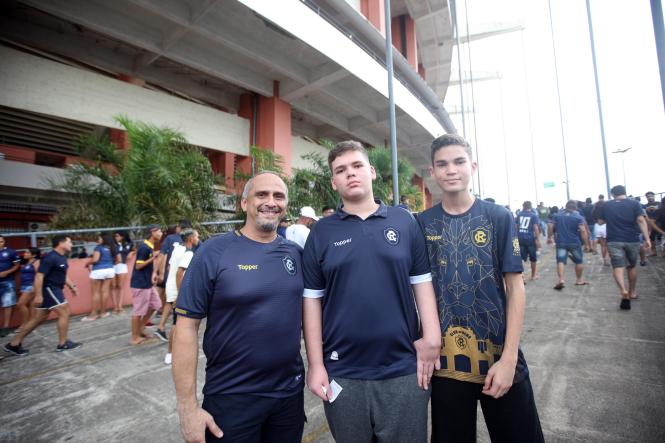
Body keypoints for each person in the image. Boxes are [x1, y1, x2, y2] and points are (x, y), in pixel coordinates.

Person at [303, 141, 441, 443]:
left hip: (403, 368)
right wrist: (315, 365)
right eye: (341, 170)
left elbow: (422, 282)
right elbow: (312, 302)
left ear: (372, 172)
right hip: (343, 370)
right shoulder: (321, 232)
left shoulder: (404, 221)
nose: (350, 174)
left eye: (357, 166)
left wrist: (432, 338)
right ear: (333, 181)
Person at [418, 134, 543, 443]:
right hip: (446, 366)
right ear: (432, 172)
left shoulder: (497, 216)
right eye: (442, 164)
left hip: (499, 358)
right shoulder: (422, 223)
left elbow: (515, 287)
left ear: (472, 166)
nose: (451, 170)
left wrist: (510, 359)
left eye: (459, 162)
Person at [173, 172, 305, 442]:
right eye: (262, 194)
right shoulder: (213, 252)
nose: (271, 202)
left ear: (286, 206)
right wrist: (187, 409)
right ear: (244, 203)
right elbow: (185, 328)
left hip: (289, 396)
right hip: (232, 398)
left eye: (278, 196)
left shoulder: (295, 253)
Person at [4, 235, 81, 355]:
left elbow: (63, 274)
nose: (72, 244)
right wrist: (39, 295)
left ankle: (14, 344)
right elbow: (39, 276)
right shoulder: (50, 258)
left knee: (38, 319)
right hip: (50, 288)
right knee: (65, 312)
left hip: (54, 289)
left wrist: (73, 286)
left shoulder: (61, 257)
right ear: (61, 243)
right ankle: (63, 343)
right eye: (69, 242)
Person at [597, 185, 651, 310]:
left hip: (614, 240)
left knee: (618, 266)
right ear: (625, 193)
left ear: (612, 194)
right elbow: (641, 221)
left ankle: (623, 291)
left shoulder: (606, 205)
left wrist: (610, 219)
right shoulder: (635, 204)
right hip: (632, 239)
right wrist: (647, 239)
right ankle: (632, 292)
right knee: (631, 266)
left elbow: (600, 222)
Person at [161, 228, 199, 362]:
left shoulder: (177, 249)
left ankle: (172, 352)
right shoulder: (188, 253)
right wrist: (180, 294)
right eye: (196, 236)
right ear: (190, 239)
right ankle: (171, 354)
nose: (198, 239)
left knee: (177, 322)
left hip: (171, 289)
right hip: (178, 292)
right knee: (177, 323)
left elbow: (170, 268)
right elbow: (179, 273)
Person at [155, 220, 192, 330]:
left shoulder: (172, 239)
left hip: (171, 274)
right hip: (178, 276)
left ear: (179, 227)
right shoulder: (188, 243)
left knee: (169, 300)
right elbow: (163, 255)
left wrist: (158, 271)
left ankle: (161, 324)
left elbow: (163, 256)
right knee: (172, 301)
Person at [129, 225, 162, 345]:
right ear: (152, 232)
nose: (161, 233)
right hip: (140, 284)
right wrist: (153, 257)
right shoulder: (144, 247)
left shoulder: (150, 246)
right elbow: (138, 266)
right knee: (138, 311)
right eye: (159, 231)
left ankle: (141, 328)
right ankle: (134, 337)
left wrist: (153, 273)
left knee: (156, 304)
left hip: (147, 283)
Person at [548, 200, 589, 290]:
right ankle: (578, 280)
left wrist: (549, 237)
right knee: (578, 261)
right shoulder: (578, 217)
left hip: (561, 242)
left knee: (561, 261)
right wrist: (586, 244)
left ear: (566, 206)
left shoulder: (557, 215)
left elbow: (550, 226)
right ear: (575, 208)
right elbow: (583, 231)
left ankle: (561, 279)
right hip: (574, 242)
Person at [82, 234, 118, 321]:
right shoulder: (112, 248)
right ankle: (103, 312)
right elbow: (117, 260)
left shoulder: (98, 247)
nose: (98, 239)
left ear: (103, 239)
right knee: (105, 292)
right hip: (110, 270)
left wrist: (87, 263)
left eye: (99, 238)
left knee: (95, 293)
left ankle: (93, 315)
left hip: (98, 271)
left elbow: (95, 259)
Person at [14, 247, 41, 334]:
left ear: (34, 255)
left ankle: (24, 325)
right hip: (25, 286)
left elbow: (39, 275)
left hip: (31, 286)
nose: (24, 254)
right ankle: (31, 326)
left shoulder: (36, 262)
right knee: (32, 306)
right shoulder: (26, 262)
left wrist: (35, 287)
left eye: (27, 253)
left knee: (20, 304)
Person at [0, 234, 20, 337]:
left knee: (8, 304)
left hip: (7, 282)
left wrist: (7, 272)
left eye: (1, 241)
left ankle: (6, 327)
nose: (0, 244)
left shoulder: (11, 252)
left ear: (4, 242)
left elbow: (17, 266)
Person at [516, 201, 542, 281]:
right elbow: (536, 227)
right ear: (531, 206)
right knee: (533, 258)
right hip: (530, 239)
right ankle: (533, 275)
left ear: (523, 206)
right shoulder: (533, 215)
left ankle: (522, 276)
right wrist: (538, 239)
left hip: (520, 238)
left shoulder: (519, 215)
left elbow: (516, 227)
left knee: (520, 258)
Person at [112, 230, 134, 314]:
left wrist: (132, 252)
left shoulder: (128, 244)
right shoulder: (112, 244)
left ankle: (120, 306)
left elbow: (136, 249)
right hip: (112, 266)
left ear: (122, 236)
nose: (116, 237)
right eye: (115, 236)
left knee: (120, 286)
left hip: (122, 266)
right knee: (113, 286)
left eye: (117, 236)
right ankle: (115, 307)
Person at [592, 199, 609, 265]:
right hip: (605, 226)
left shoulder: (594, 211)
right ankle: (607, 259)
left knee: (602, 245)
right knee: (607, 245)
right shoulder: (606, 210)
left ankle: (604, 260)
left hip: (597, 226)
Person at [643, 191, 660, 257]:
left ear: (654, 196)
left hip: (660, 223)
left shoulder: (659, 203)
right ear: (646, 198)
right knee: (651, 239)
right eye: (648, 196)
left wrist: (657, 208)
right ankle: (654, 252)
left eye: (651, 196)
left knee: (662, 237)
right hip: (650, 224)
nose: (650, 197)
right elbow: (644, 214)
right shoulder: (644, 206)